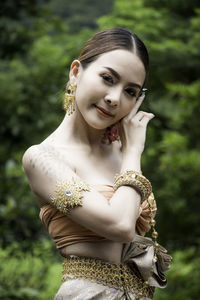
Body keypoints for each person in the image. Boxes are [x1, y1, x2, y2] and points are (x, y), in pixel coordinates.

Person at [22, 28, 171, 300]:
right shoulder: (42, 158)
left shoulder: (119, 149)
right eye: (107, 78)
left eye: (130, 91)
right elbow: (120, 226)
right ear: (76, 73)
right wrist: (134, 151)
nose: (115, 98)